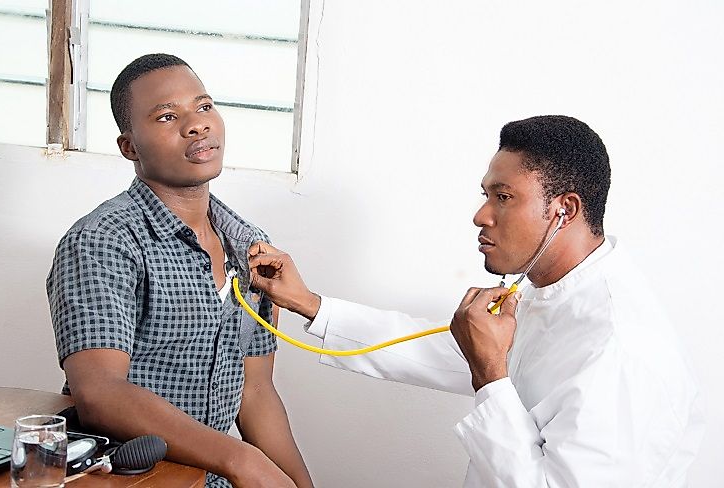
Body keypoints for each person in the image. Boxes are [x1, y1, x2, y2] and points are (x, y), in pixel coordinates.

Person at [246, 115, 704, 487]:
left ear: (563, 209)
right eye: (486, 194)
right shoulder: (552, 292)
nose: (480, 215)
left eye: (503, 198)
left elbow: (491, 371)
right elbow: (454, 352)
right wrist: (310, 304)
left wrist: (490, 374)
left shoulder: (619, 350)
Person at [46, 53, 312, 488]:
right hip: (127, 479)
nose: (197, 124)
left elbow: (256, 392)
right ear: (129, 147)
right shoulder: (101, 241)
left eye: (204, 107)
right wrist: (243, 461)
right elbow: (99, 394)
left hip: (218, 479)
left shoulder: (253, 249)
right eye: (168, 116)